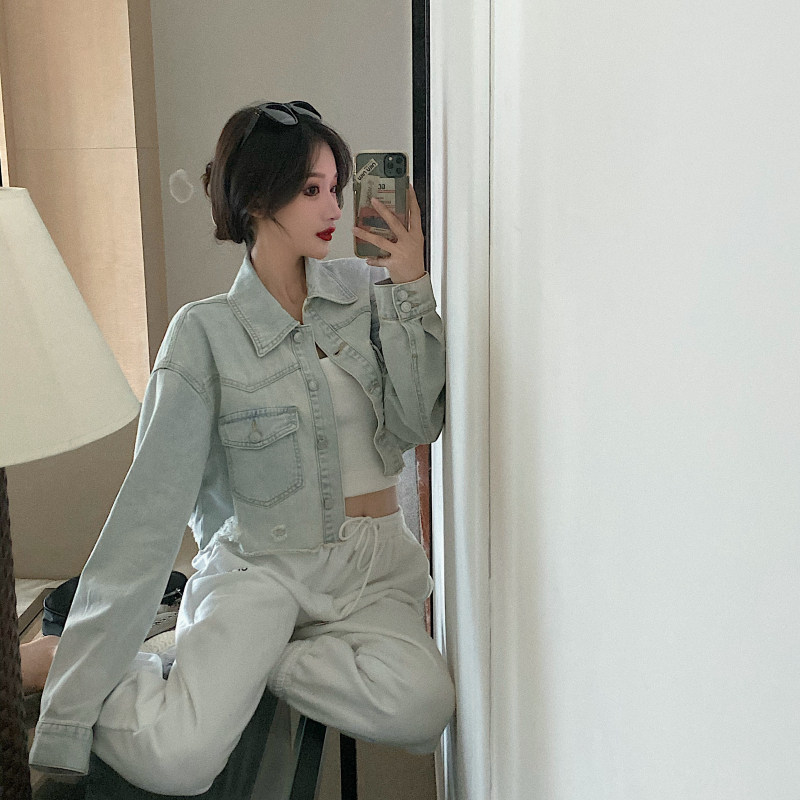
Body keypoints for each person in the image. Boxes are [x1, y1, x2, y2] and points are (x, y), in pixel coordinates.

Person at [28, 101, 454, 795]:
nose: (333, 208)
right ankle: (79, 661)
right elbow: (147, 517)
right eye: (311, 189)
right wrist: (74, 701)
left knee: (423, 706)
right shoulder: (204, 334)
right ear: (257, 199)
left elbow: (417, 422)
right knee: (180, 762)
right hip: (265, 569)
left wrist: (410, 285)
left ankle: (233, 655)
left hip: (372, 568)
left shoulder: (367, 295)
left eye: (336, 188)